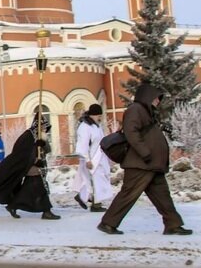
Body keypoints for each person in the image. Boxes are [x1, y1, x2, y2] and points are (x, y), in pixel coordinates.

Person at [99, 86, 192, 236]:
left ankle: (173, 225)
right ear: (147, 96)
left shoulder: (148, 112)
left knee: (163, 196)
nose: (158, 101)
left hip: (152, 164)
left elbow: (146, 133)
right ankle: (108, 223)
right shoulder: (135, 109)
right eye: (156, 97)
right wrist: (145, 152)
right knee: (128, 194)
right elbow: (131, 131)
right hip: (140, 163)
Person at [0, 113, 60, 220]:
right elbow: (21, 152)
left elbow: (47, 150)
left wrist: (42, 144)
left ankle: (13, 205)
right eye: (43, 127)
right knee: (41, 189)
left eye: (45, 127)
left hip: (39, 168)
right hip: (32, 168)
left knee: (28, 190)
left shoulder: (41, 136)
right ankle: (46, 211)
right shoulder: (28, 136)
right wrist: (35, 159)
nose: (44, 129)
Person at [73, 104, 112, 212]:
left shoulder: (96, 126)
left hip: (98, 157)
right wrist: (87, 159)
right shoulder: (85, 127)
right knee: (95, 181)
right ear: (93, 115)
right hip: (90, 159)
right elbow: (83, 144)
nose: (100, 118)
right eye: (99, 115)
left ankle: (84, 197)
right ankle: (95, 204)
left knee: (96, 180)